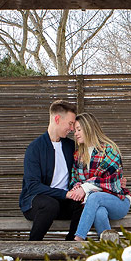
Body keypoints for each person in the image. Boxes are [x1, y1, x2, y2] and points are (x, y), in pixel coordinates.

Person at [20, 100, 83, 241]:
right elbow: (33, 186)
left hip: (63, 202)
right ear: (57, 119)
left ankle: (71, 247)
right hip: (36, 203)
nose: (72, 129)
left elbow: (86, 168)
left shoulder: (70, 146)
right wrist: (65, 194)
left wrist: (115, 177)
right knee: (50, 204)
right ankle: (32, 248)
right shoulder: (35, 148)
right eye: (70, 123)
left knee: (84, 202)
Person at [66, 111, 131, 241]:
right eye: (75, 131)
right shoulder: (79, 155)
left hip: (118, 201)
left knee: (95, 197)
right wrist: (80, 188)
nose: (76, 134)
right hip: (94, 203)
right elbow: (75, 181)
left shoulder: (109, 149)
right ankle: (109, 251)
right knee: (99, 213)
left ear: (89, 128)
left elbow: (111, 181)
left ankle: (78, 239)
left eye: (79, 129)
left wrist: (85, 188)